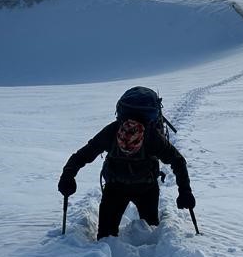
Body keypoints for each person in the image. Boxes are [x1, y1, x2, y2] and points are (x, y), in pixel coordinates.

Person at [57, 87, 195, 238]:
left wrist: (68, 175)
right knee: (150, 235)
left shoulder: (113, 132)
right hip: (143, 187)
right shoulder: (151, 137)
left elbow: (83, 155)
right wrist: (185, 191)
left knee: (109, 236)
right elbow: (177, 161)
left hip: (118, 187)